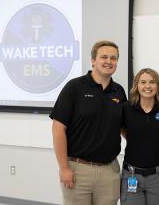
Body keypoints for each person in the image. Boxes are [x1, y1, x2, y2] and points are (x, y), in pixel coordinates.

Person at [50, 40, 127, 205]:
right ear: (93, 60)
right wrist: (64, 168)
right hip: (78, 170)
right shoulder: (74, 87)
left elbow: (123, 128)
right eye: (104, 57)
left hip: (109, 172)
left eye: (113, 58)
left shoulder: (119, 92)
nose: (109, 61)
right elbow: (58, 129)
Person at [120, 68, 159, 205]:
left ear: (158, 85)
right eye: (143, 82)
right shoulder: (127, 108)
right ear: (137, 85)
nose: (147, 86)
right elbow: (122, 129)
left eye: (152, 82)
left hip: (158, 176)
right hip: (131, 175)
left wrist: (153, 134)